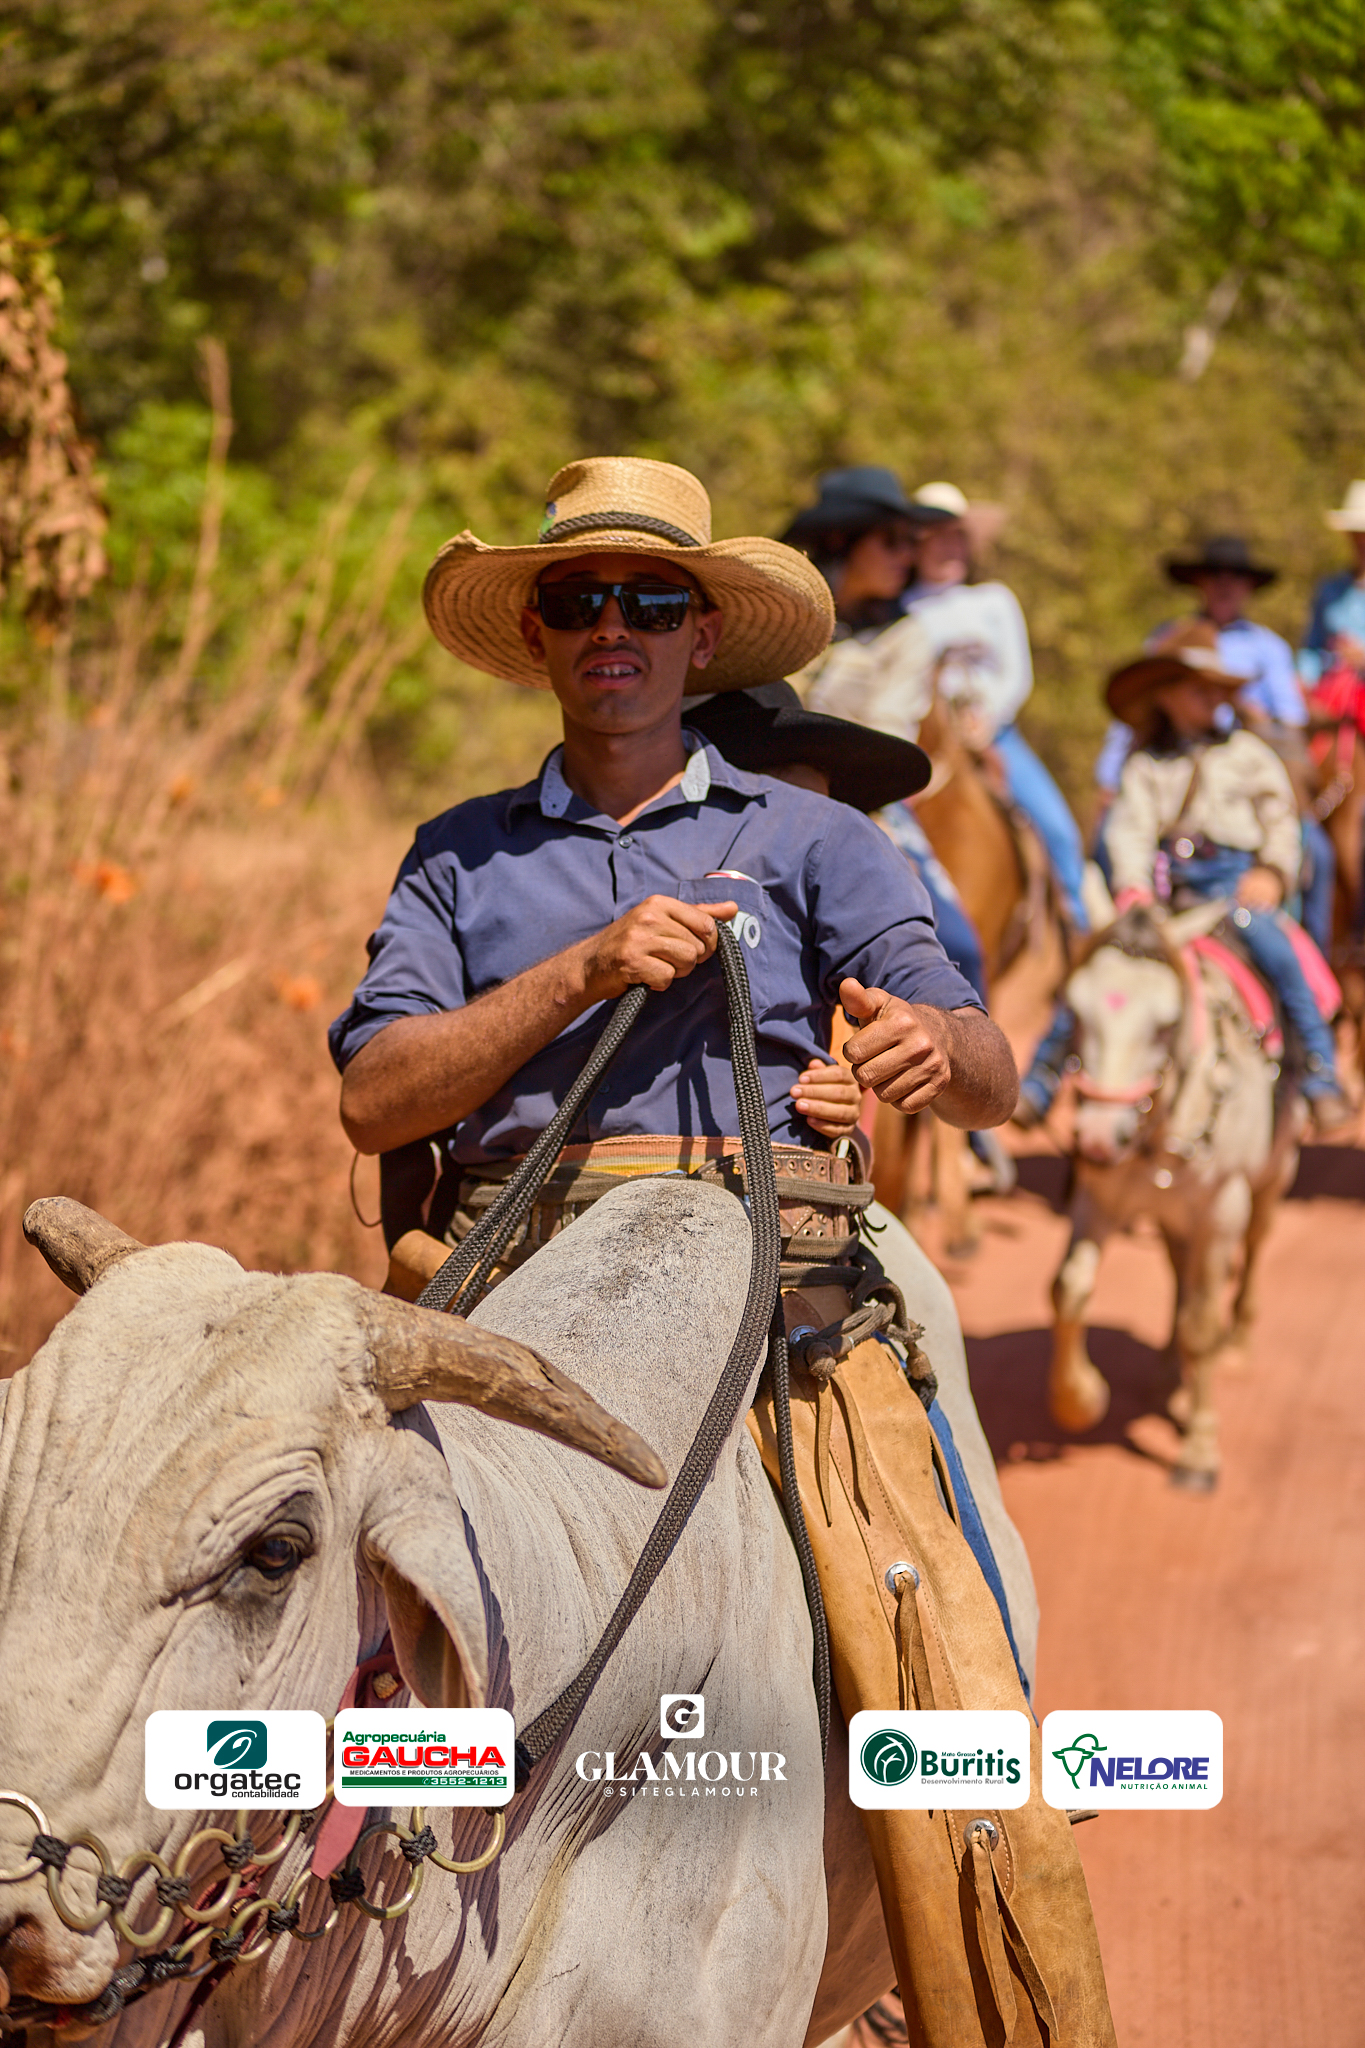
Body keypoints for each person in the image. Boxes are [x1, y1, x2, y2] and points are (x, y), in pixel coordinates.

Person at [330, 458, 1068, 2034]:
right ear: (539, 635)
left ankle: (984, 1911)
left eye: (650, 600)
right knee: (307, 1582)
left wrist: (933, 1051)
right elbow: (373, 1097)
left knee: (932, 1630)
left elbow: (990, 1065)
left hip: (772, 1294)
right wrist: (578, 973)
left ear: (699, 635)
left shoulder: (815, 840)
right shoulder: (455, 854)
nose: (614, 625)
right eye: (579, 599)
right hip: (506, 1294)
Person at [685, 678, 1039, 1670]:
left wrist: (901, 1059)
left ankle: (983, 1682)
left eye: (819, 801)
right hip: (584, 1200)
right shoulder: (602, 865)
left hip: (796, 1196)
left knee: (917, 1340)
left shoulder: (836, 868)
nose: (804, 825)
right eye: (776, 796)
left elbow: (876, 1036)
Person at [1102, 620, 1350, 1136]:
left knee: (1278, 953)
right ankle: (1049, 1071)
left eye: (1220, 688)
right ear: (1165, 696)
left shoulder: (1248, 753)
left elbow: (1281, 819)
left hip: (1236, 886)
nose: (1215, 698)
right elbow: (1130, 830)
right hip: (1170, 891)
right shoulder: (1146, 764)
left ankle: (1320, 1070)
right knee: (1104, 962)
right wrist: (1133, 887)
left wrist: (1272, 872)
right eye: (1201, 688)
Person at [1093, 533, 1333, 949]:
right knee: (1103, 843)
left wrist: (1255, 720)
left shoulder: (1267, 648)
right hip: (1173, 852)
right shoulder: (1169, 638)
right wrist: (1107, 777)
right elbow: (1130, 729)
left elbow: (1291, 724)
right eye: (1215, 575)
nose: (1225, 585)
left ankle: (1318, 949)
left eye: (1235, 577)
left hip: (1250, 786)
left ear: (1248, 587)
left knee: (1319, 854)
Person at [901, 479, 1090, 934]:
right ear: (916, 546)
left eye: (957, 537)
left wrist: (986, 720)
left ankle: (1076, 925)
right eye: (937, 537)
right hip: (926, 745)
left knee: (1058, 829)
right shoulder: (901, 610)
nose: (949, 547)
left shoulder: (994, 601)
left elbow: (1016, 675)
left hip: (996, 736)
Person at [1300, 482, 1365, 687]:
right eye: (1357, 533)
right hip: (1334, 694)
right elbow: (1312, 649)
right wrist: (1303, 680)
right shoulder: (1330, 590)